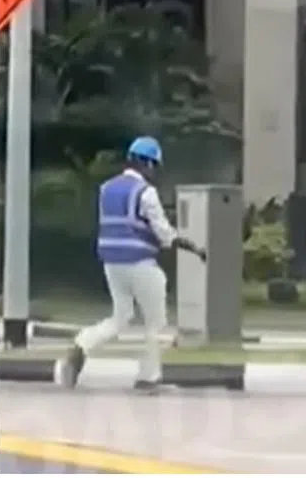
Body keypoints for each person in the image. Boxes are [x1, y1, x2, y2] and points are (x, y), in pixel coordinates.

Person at [59, 136, 206, 392]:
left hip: (112, 263)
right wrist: (193, 248)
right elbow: (164, 234)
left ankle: (80, 346)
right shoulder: (145, 192)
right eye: (154, 166)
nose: (155, 172)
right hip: (140, 263)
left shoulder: (106, 188)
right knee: (156, 322)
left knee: (121, 317)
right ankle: (148, 378)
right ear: (147, 163)